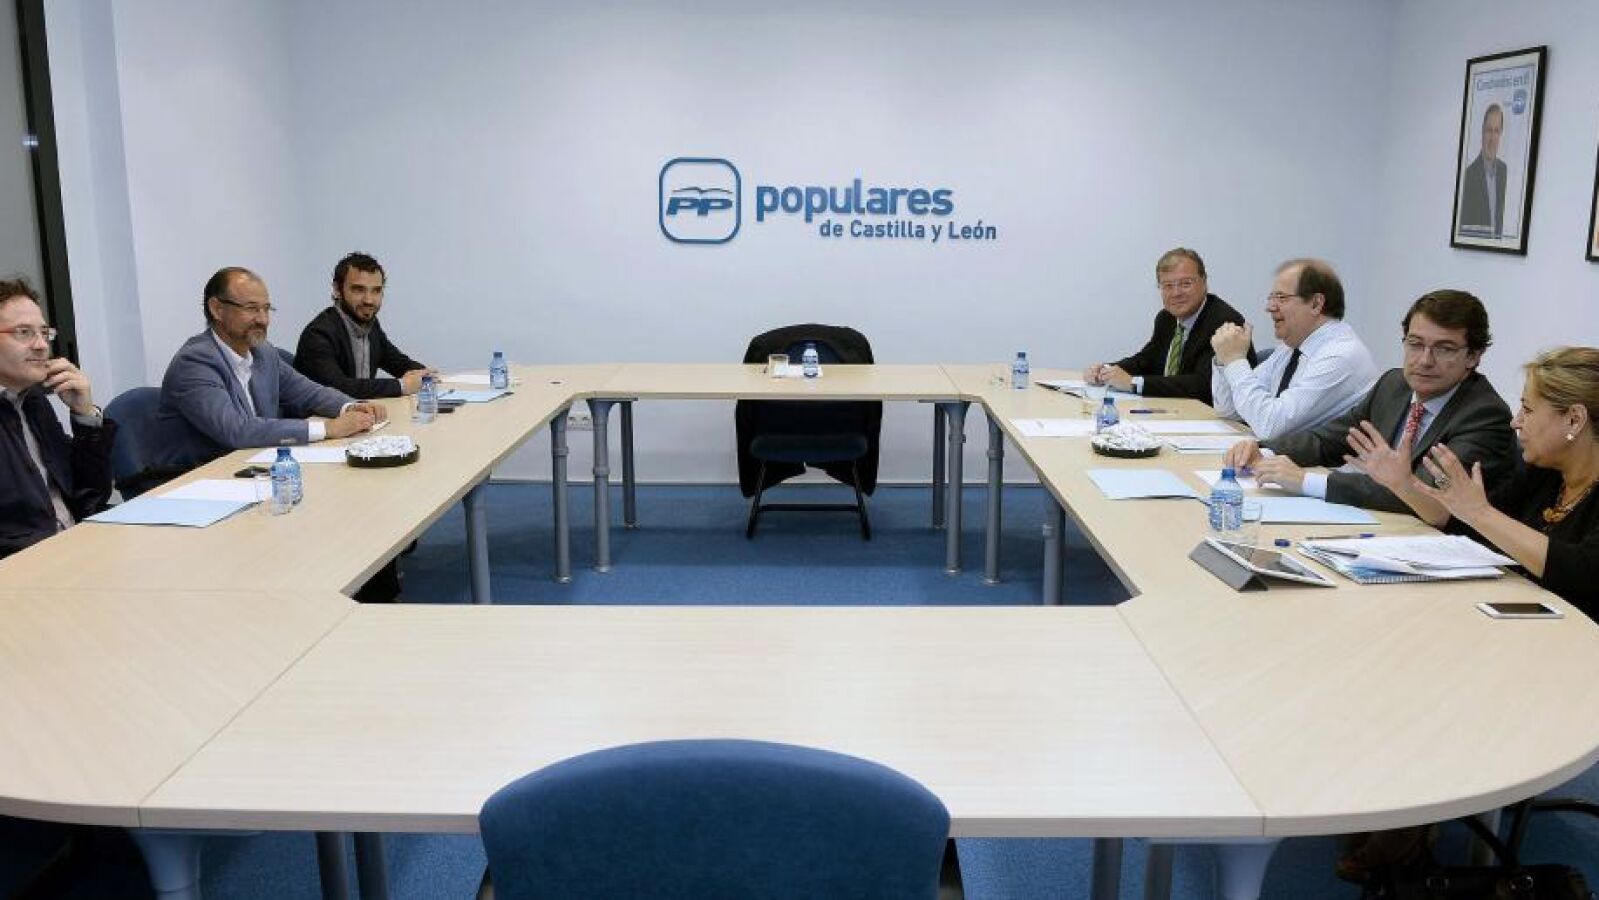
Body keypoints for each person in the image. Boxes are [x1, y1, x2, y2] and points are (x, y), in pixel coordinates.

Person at [1351, 346, 1599, 614]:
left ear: (1574, 420)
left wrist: (1480, 513)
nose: (1515, 422)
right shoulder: (1545, 474)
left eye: (1527, 410)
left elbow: (1583, 573)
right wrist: (1403, 484)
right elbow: (1469, 526)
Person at [1223, 290, 1513, 513]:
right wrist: (1265, 452)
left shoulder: (1484, 415)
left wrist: (1305, 481)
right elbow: (1332, 439)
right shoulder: (1394, 385)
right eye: (1415, 344)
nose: (1425, 360)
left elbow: (1424, 494)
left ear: (1473, 356)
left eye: (1444, 349)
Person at [152, 266, 386, 473]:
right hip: (197, 479)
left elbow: (308, 392)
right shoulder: (195, 362)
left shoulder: (263, 352)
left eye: (266, 309)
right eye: (252, 309)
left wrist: (350, 406)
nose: (263, 320)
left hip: (253, 467)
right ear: (217, 309)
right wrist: (328, 428)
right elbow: (237, 430)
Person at [0, 276, 116, 559]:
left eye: (44, 333)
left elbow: (91, 495)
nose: (41, 345)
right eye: (24, 333)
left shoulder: (33, 400)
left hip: (76, 546)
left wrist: (84, 416)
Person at [1209, 258, 1379, 440]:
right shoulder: (1290, 348)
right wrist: (1224, 358)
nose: (1270, 307)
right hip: (1285, 455)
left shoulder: (1340, 356)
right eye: (1271, 298)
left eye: (1281, 298)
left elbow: (1271, 427)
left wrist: (1236, 361)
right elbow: (1228, 409)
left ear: (1316, 304)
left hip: (1325, 459)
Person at [1083, 248, 1255, 404]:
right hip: (1177, 412)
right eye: (1168, 286)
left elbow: (1202, 385)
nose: (1176, 293)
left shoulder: (1224, 322)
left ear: (1204, 282)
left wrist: (1134, 383)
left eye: (1185, 284)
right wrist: (1106, 371)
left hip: (1216, 420)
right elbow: (1145, 361)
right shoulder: (1166, 318)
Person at [295, 252, 432, 399]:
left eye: (376, 290)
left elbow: (398, 362)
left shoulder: (370, 325)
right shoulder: (318, 334)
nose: (369, 300)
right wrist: (402, 386)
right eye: (359, 289)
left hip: (361, 411)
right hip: (323, 413)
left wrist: (426, 374)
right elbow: (338, 388)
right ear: (337, 290)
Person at [1458, 103, 1508, 239]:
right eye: (1489, 130)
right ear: (1482, 132)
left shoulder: (1504, 171)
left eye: (1496, 131)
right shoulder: (1468, 176)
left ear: (1500, 134)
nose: (1492, 138)